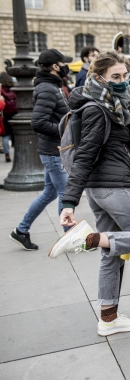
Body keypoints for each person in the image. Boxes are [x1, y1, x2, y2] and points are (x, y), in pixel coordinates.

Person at [48, 51, 130, 336]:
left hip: (101, 189)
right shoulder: (98, 108)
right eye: (115, 77)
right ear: (98, 78)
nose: (122, 82)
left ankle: (108, 318)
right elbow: (84, 156)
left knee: (111, 254)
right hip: (113, 186)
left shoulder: (115, 104)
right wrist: (68, 202)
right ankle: (87, 239)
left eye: (124, 76)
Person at [9, 49, 73, 251]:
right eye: (63, 63)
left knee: (50, 193)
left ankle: (21, 231)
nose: (66, 66)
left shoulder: (52, 86)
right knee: (65, 193)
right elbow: (38, 122)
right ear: (55, 66)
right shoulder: (47, 88)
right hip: (53, 150)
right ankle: (69, 237)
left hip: (53, 149)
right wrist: (64, 132)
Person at [0, 72, 18, 162]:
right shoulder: (14, 88)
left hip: (5, 114)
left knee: (5, 135)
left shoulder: (1, 91)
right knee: (16, 133)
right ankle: (17, 151)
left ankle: (7, 153)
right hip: (15, 112)